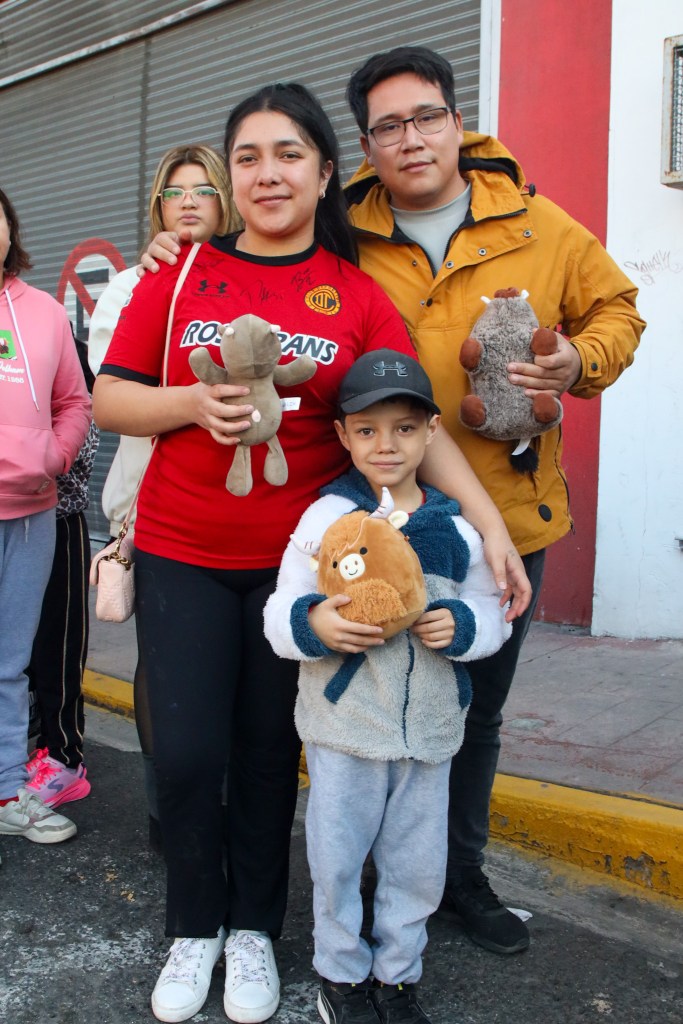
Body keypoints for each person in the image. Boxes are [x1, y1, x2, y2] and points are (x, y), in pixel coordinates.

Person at [93, 82, 529, 1024]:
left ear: (325, 170)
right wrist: (188, 406)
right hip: (182, 552)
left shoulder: (358, 293)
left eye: (288, 153)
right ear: (227, 174)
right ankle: (192, 928)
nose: (267, 173)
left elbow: (414, 422)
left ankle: (251, 930)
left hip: (303, 568)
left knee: (264, 754)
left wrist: (491, 528)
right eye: (246, 156)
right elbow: (111, 397)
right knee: (185, 753)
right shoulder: (177, 279)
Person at [342, 45, 646, 955]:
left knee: (474, 715)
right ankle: (370, 876)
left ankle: (457, 879)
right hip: (379, 519)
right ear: (367, 142)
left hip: (507, 517)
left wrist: (575, 363)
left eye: (426, 116)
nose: (411, 138)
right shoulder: (341, 231)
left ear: (456, 121)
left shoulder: (537, 223)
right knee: (377, 709)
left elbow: (618, 312)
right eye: (389, 125)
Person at [264, 349, 512, 1024]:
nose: (386, 444)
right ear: (343, 435)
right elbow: (279, 613)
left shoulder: (454, 528)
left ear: (431, 433)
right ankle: (340, 975)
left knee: (415, 866)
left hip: (427, 735)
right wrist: (313, 623)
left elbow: (491, 613)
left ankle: (398, 975)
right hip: (345, 731)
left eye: (404, 428)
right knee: (338, 859)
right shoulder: (325, 521)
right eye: (367, 429)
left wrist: (464, 625)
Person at [87, 144, 236, 850]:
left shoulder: (250, 274)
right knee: (166, 665)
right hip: (151, 500)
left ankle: (229, 805)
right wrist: (152, 284)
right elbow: (111, 383)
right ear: (156, 206)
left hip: (243, 505)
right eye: (173, 191)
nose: (187, 201)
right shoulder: (129, 285)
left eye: (203, 189)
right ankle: (164, 810)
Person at [0, 187, 91, 847]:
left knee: (9, 663)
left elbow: (75, 400)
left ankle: (7, 790)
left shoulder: (42, 313)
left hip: (30, 512)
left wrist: (54, 457)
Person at [25, 331, 99, 808]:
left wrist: (44, 469)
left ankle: (63, 758)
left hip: (54, 513)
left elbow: (85, 422)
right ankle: (21, 748)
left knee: (57, 645)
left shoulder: (46, 325)